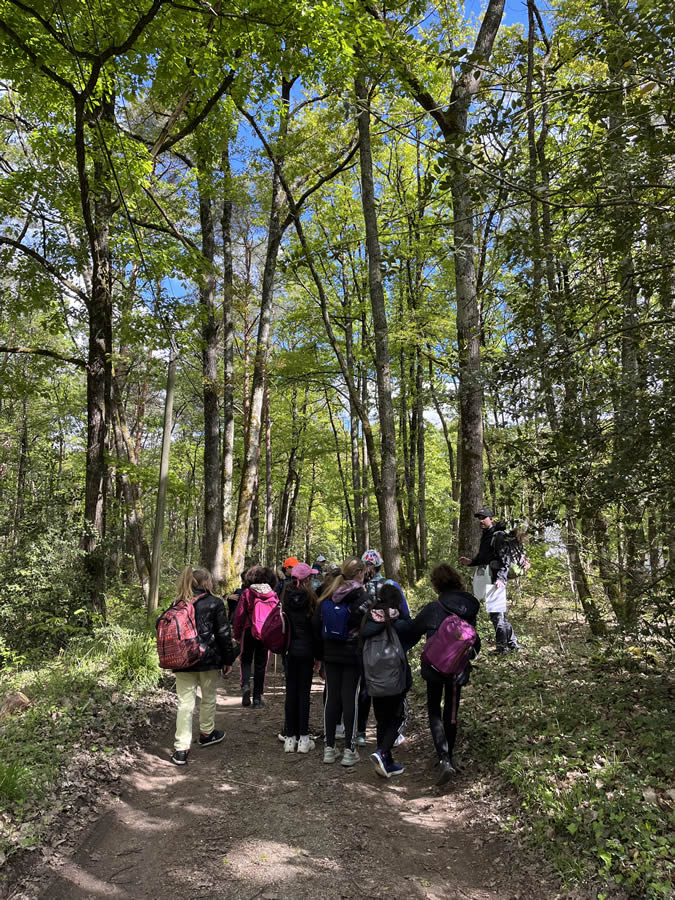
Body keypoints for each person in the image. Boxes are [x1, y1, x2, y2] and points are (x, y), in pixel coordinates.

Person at [400, 563, 481, 785]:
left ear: (436, 585)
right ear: (457, 580)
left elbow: (413, 630)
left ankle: (443, 757)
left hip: (434, 667)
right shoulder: (470, 606)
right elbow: (475, 640)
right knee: (452, 711)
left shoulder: (432, 608)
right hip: (458, 668)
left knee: (434, 709)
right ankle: (450, 758)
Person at [169, 566, 236, 766]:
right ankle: (207, 733)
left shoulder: (177, 604)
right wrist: (228, 660)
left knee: (185, 704)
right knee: (208, 698)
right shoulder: (215, 603)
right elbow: (224, 634)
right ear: (206, 582)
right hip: (208, 659)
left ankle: (181, 748)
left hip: (182, 660)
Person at [313, 557, 371, 766]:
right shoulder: (362, 596)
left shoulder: (329, 594)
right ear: (359, 573)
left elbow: (316, 625)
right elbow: (366, 625)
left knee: (331, 699)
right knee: (350, 699)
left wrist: (319, 656)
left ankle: (329, 749)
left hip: (331, 653)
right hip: (352, 654)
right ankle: (349, 750)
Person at [357, 549, 410, 747]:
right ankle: (393, 733)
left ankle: (361, 732)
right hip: (391, 645)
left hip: (367, 646)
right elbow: (405, 615)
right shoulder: (391, 585)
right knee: (394, 689)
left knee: (365, 688)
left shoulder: (357, 587)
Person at [361, 582, 411, 779]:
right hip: (396, 679)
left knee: (382, 719)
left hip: (373, 678)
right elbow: (411, 629)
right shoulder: (397, 622)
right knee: (398, 718)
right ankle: (382, 752)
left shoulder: (368, 619)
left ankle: (386, 763)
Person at [460, 507, 519, 654]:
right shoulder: (486, 535)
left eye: (483, 518)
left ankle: (501, 648)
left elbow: (505, 559)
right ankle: (513, 644)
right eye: (479, 518)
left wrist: (500, 578)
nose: (480, 521)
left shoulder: (497, 535)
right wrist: (471, 562)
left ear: (491, 519)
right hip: (490, 576)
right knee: (500, 614)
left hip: (496, 577)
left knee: (496, 614)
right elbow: (483, 558)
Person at [281, 563, 320, 754]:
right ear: (306, 580)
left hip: (289, 651)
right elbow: (315, 630)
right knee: (304, 693)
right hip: (306, 652)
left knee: (291, 692)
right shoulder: (312, 600)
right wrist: (319, 657)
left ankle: (290, 738)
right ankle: (304, 738)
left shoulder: (285, 597)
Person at [233, 565, 279, 708]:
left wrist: (237, 634)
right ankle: (258, 698)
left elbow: (239, 615)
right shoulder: (273, 594)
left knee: (245, 660)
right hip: (266, 633)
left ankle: (246, 686)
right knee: (261, 665)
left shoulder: (247, 593)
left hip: (249, 630)